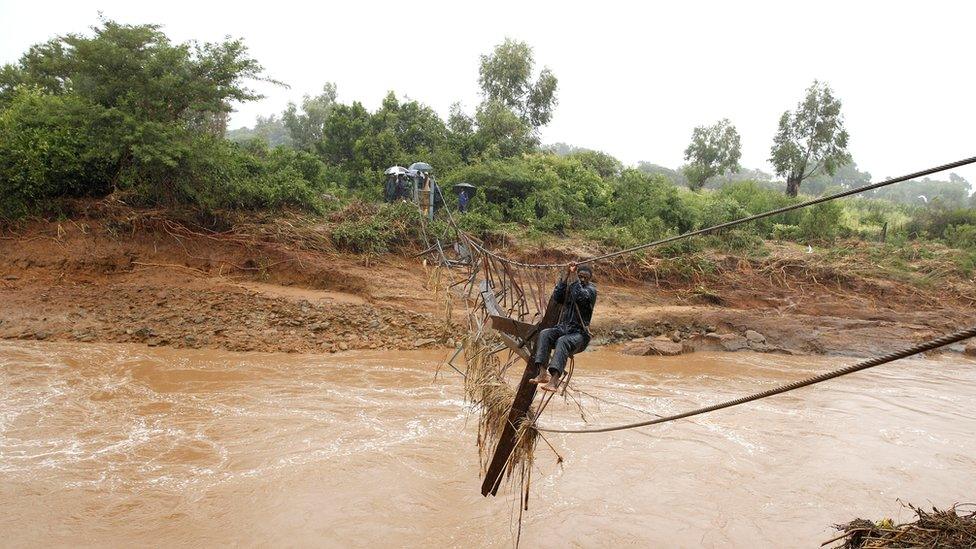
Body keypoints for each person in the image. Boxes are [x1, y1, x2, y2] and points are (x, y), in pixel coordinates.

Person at [530, 263, 597, 393]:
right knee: (544, 334)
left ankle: (554, 381)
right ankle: (542, 372)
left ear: (589, 279)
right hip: (563, 328)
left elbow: (580, 296)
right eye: (580, 276)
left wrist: (574, 278)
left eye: (585, 278)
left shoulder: (591, 291)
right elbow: (557, 297)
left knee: (563, 341)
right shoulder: (571, 287)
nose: (582, 280)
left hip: (579, 335)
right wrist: (566, 277)